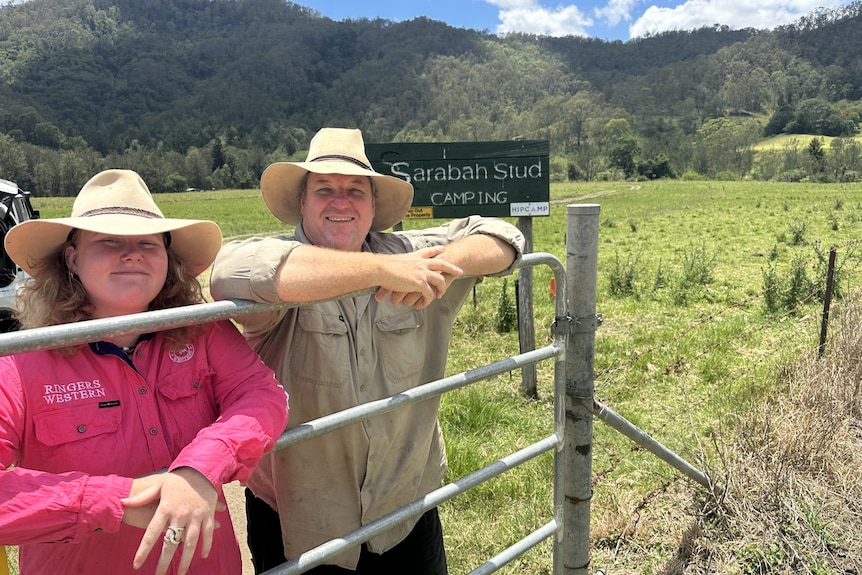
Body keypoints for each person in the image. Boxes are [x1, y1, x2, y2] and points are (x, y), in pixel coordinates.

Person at [210, 127, 525, 574]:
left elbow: (501, 235)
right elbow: (227, 273)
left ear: (373, 206)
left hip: (405, 507)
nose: (341, 200)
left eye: (356, 189)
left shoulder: (412, 255)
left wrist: (444, 268)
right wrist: (382, 270)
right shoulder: (286, 264)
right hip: (300, 518)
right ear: (302, 203)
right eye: (324, 188)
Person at [0, 169, 289, 575]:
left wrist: (199, 469)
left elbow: (262, 395)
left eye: (148, 243)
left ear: (165, 260)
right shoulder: (20, 362)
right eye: (108, 241)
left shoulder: (203, 331)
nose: (131, 253)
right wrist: (119, 500)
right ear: (72, 258)